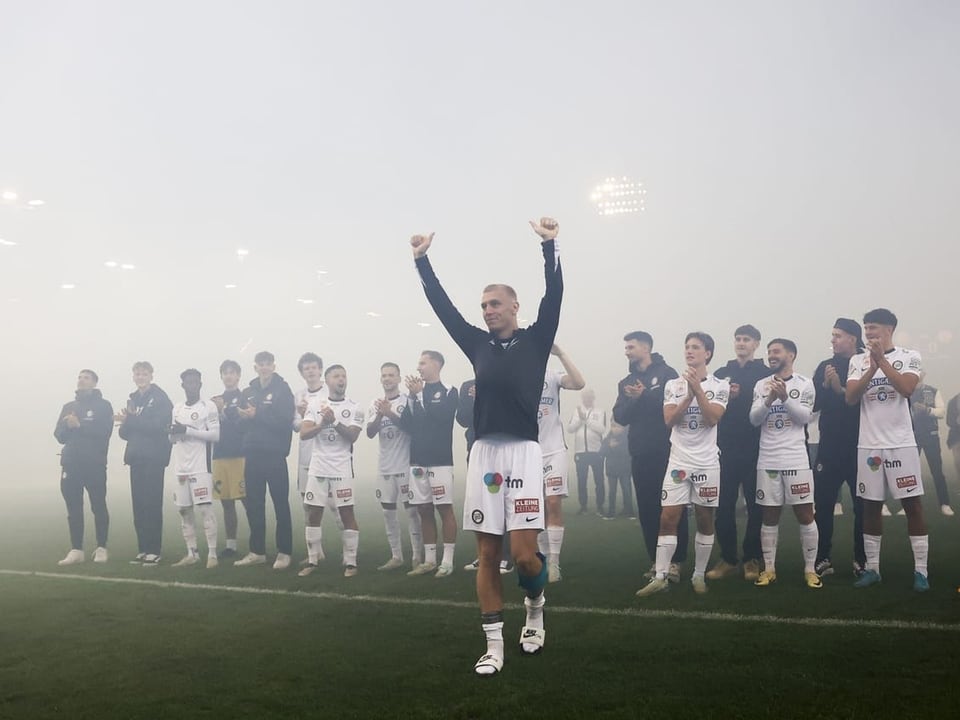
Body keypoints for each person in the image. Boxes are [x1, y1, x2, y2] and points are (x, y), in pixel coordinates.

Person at [410, 217, 561, 675]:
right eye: (483, 305)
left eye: (495, 303)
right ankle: (493, 646)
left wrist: (549, 246)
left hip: (524, 454)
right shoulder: (475, 343)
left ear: (514, 305)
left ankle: (535, 608)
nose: (487, 310)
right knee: (488, 556)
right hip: (484, 457)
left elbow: (554, 295)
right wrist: (422, 261)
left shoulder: (537, 338)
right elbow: (443, 307)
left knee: (523, 555)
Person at [636, 332, 729, 597]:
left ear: (708, 353)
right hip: (678, 460)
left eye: (696, 347)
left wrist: (698, 390)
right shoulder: (673, 385)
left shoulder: (720, 385)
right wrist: (688, 395)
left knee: (704, 518)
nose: (689, 351)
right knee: (668, 517)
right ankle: (661, 576)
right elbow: (668, 420)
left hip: (707, 463)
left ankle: (699, 576)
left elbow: (712, 418)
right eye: (687, 347)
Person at [845, 308, 929, 591]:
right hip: (869, 445)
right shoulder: (858, 360)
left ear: (890, 328)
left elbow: (906, 388)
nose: (869, 333)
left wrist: (883, 362)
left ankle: (921, 571)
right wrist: (872, 365)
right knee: (870, 506)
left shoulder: (910, 356)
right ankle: (872, 569)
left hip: (901, 443)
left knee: (913, 505)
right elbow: (851, 397)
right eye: (866, 328)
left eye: (874, 327)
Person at [612, 331, 685, 582]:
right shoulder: (626, 381)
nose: (627, 351)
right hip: (640, 452)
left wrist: (645, 396)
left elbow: (675, 409)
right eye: (626, 347)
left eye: (631, 346)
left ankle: (676, 562)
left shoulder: (667, 374)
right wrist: (634, 400)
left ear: (646, 347)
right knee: (647, 509)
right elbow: (620, 416)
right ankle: (656, 561)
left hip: (668, 451)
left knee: (673, 508)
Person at [748, 340, 820, 589]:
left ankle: (810, 569)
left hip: (796, 458)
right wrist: (769, 400)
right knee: (769, 515)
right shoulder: (761, 384)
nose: (771, 355)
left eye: (776, 351)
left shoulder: (804, 383)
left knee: (805, 514)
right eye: (769, 352)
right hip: (767, 458)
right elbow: (754, 419)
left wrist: (785, 398)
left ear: (791, 354)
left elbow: (805, 418)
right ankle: (769, 569)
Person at [709, 325, 771, 583]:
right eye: (738, 339)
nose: (741, 343)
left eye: (746, 339)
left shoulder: (766, 374)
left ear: (756, 343)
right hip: (725, 448)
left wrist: (742, 395)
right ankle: (728, 558)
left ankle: (752, 558)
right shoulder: (722, 373)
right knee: (723, 507)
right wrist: (726, 397)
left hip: (757, 448)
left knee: (756, 507)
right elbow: (710, 405)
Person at [812, 319, 867, 577]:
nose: (833, 340)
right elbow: (812, 404)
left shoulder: (867, 362)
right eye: (832, 335)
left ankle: (862, 560)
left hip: (861, 444)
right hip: (829, 445)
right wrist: (825, 386)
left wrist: (839, 388)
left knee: (863, 505)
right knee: (823, 504)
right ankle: (822, 557)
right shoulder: (826, 366)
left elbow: (863, 401)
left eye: (838, 335)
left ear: (853, 338)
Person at [299, 365, 364, 577]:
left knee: (346, 512)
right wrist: (321, 423)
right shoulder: (316, 404)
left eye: (344, 376)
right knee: (313, 512)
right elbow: (304, 433)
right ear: (327, 381)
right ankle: (312, 560)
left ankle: (351, 562)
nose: (341, 379)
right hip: (318, 467)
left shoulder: (355, 407)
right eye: (336, 376)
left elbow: (353, 436)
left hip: (341, 467)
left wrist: (334, 421)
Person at [399, 350, 459, 577]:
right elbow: (407, 424)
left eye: (422, 363)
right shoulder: (414, 395)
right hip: (417, 460)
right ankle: (430, 560)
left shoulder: (449, 391)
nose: (418, 368)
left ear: (436, 364)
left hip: (440, 460)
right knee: (423, 509)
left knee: (444, 508)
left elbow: (441, 418)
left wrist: (421, 395)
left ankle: (448, 561)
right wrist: (413, 398)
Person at [235, 351, 295, 570]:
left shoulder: (282, 390)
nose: (264, 367)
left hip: (275, 455)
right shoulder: (248, 391)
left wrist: (257, 414)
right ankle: (257, 551)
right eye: (260, 364)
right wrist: (242, 417)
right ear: (255, 367)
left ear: (274, 366)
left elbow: (284, 420)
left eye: (268, 363)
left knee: (280, 504)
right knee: (255, 505)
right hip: (252, 454)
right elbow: (240, 425)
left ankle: (285, 552)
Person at [366, 362, 424, 571]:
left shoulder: (407, 401)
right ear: (381, 379)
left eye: (391, 375)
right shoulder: (374, 403)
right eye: (384, 376)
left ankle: (417, 556)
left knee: (411, 512)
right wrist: (381, 413)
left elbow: (411, 427)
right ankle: (396, 556)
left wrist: (389, 413)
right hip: (385, 467)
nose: (387, 379)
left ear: (399, 379)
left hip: (405, 464)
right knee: (388, 511)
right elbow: (370, 432)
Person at [116, 361, 173, 566]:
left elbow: (159, 426)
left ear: (151, 375)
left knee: (152, 504)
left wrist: (132, 420)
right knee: (138, 505)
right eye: (137, 374)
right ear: (133, 376)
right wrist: (126, 422)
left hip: (154, 457)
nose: (140, 377)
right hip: (136, 456)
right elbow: (124, 433)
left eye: (144, 373)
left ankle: (154, 550)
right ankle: (142, 549)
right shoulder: (133, 399)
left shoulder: (160, 398)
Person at [537, 344, 586, 582]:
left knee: (553, 502)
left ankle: (554, 563)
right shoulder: (516, 376)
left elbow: (579, 383)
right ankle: (543, 559)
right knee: (534, 507)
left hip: (554, 449)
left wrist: (562, 354)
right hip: (527, 452)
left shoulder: (553, 375)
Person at [54, 369, 113, 565]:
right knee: (73, 508)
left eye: (86, 378)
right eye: (79, 377)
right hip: (71, 463)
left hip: (94, 464)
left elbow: (104, 432)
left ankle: (102, 547)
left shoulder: (104, 406)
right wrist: (68, 426)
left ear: (94, 383)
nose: (81, 380)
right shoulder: (69, 406)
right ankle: (76, 549)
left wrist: (79, 426)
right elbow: (59, 434)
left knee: (98, 505)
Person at [169, 369, 221, 569]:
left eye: (195, 382)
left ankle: (212, 554)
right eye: (187, 383)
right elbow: (173, 440)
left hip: (201, 466)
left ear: (200, 384)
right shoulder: (177, 408)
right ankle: (192, 552)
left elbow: (215, 436)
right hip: (180, 466)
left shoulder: (209, 406)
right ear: (182, 385)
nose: (191, 386)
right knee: (184, 510)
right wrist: (172, 433)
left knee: (205, 508)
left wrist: (187, 430)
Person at [211, 360, 247, 559]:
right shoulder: (215, 400)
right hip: (219, 456)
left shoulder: (244, 397)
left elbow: (240, 426)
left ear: (238, 376)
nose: (229, 376)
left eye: (232, 372)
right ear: (221, 376)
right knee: (226, 502)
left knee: (245, 499)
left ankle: (256, 543)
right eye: (225, 373)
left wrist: (223, 411)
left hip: (239, 455)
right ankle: (231, 545)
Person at [911, 374, 952, 516]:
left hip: (931, 435)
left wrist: (927, 410)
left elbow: (941, 412)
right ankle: (908, 505)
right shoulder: (905, 391)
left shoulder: (933, 390)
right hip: (911, 437)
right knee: (910, 473)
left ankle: (944, 503)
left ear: (923, 375)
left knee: (937, 472)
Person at [567, 389, 606, 514]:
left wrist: (586, 421)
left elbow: (601, 429)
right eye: (585, 397)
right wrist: (580, 419)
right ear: (582, 398)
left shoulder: (600, 412)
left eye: (589, 397)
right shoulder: (576, 411)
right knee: (582, 480)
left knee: (599, 480)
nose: (587, 399)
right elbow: (570, 429)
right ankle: (583, 506)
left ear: (593, 398)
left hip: (596, 451)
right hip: (580, 452)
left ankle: (600, 506)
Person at [599, 420, 633, 519]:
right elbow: (601, 452)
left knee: (626, 491)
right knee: (612, 492)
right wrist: (609, 447)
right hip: (611, 470)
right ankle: (611, 512)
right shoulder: (607, 439)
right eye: (613, 426)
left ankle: (629, 511)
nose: (615, 429)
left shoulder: (627, 438)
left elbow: (628, 452)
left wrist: (615, 447)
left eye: (618, 427)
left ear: (623, 428)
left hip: (624, 469)